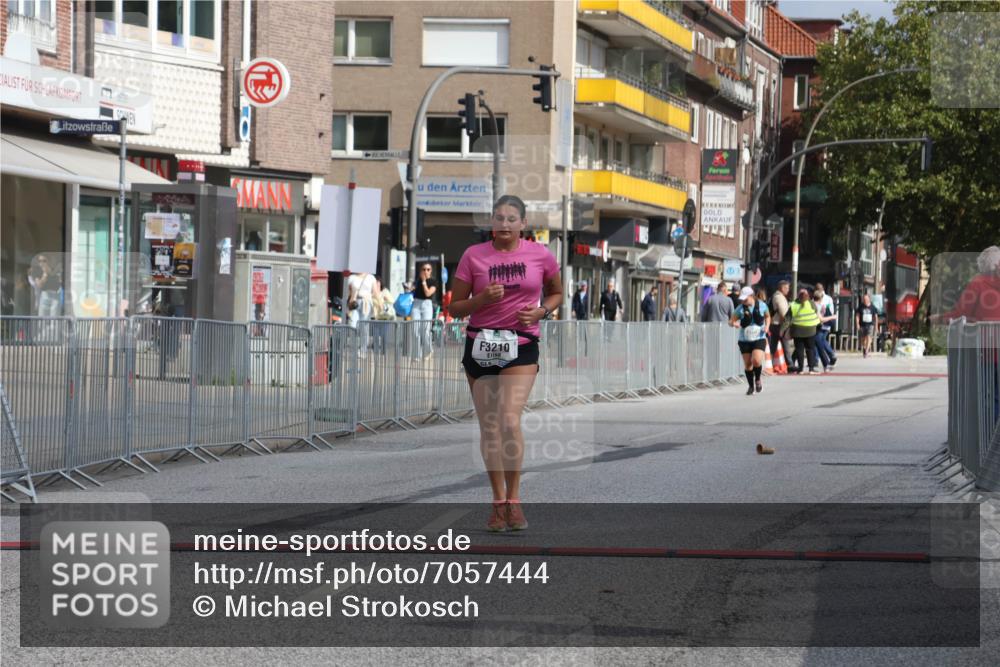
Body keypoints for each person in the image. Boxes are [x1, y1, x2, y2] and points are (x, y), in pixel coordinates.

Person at [448, 195, 562, 532]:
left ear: (523, 224)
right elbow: (455, 307)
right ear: (491, 223)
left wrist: (542, 311)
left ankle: (515, 499)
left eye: (512, 218)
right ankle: (498, 502)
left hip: (521, 344)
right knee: (490, 427)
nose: (505, 224)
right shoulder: (474, 256)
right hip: (480, 344)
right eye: (499, 218)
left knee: (509, 419)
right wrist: (481, 299)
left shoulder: (540, 255)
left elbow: (557, 292)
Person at [932, 246, 1000, 323]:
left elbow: (960, 316)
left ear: (982, 264)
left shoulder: (977, 284)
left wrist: (939, 318)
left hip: (981, 334)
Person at [731, 286, 771, 395]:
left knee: (756, 361)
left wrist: (767, 327)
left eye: (746, 299)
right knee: (748, 364)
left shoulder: (762, 306)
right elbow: (731, 320)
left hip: (759, 337)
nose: (743, 301)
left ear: (751, 296)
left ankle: (757, 379)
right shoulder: (740, 308)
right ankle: (750, 386)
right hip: (745, 339)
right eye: (742, 299)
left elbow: (768, 317)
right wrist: (734, 324)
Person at [789, 288, 821, 374]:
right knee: (810, 349)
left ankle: (801, 369)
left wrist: (783, 331)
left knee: (799, 350)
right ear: (807, 296)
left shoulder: (793, 304)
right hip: (810, 330)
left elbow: (787, 319)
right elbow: (816, 311)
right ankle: (811, 368)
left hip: (797, 331)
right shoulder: (811, 303)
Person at [411, 262, 437, 362]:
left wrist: (424, 282)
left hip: (427, 304)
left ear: (431, 271)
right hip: (416, 304)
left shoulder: (433, 281)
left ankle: (428, 351)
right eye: (423, 269)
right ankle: (417, 355)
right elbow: (413, 291)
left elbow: (428, 293)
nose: (425, 271)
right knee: (415, 330)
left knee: (425, 330)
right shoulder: (417, 280)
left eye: (428, 269)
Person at [347, 271, 377, 355]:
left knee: (364, 327)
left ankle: (363, 350)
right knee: (352, 325)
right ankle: (354, 349)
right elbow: (347, 292)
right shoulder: (351, 277)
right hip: (354, 303)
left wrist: (379, 304)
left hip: (366, 303)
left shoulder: (371, 277)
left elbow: (375, 292)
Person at [769, 280, 796, 372]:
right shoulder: (779, 297)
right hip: (779, 325)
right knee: (785, 345)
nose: (788, 290)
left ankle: (769, 363)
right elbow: (784, 313)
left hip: (776, 324)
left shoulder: (778, 296)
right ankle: (790, 365)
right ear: (782, 288)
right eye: (787, 288)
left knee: (774, 345)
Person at [813, 288, 838, 372]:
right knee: (819, 345)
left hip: (815, 328)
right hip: (814, 328)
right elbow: (821, 319)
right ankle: (825, 361)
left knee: (818, 345)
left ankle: (824, 363)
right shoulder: (816, 306)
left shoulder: (813, 304)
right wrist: (832, 317)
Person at [856, 293, 879, 358]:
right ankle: (864, 348)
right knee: (863, 339)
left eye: (866, 299)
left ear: (869, 299)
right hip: (862, 324)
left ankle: (866, 350)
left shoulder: (873, 307)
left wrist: (876, 326)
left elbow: (876, 317)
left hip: (870, 324)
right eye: (864, 299)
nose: (865, 300)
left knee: (869, 337)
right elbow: (857, 316)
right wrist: (857, 324)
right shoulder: (860, 307)